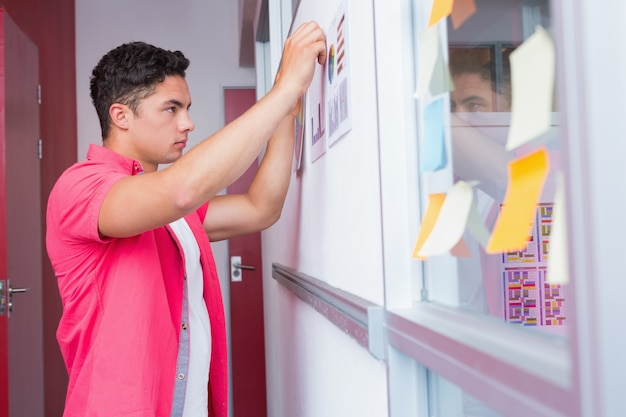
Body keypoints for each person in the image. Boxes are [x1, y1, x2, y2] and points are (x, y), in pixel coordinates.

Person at [46, 22, 327, 417]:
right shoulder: (81, 187)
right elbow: (181, 190)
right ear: (121, 116)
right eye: (171, 108)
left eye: (187, 108)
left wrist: (287, 105)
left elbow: (260, 208)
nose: (187, 123)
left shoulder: (168, 209)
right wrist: (282, 92)